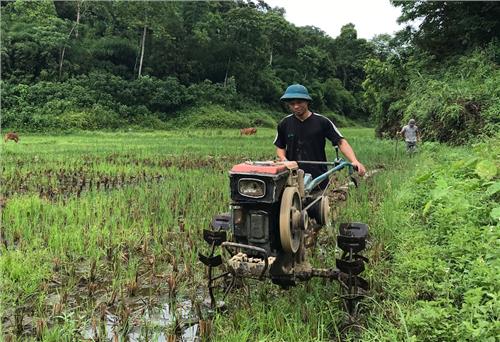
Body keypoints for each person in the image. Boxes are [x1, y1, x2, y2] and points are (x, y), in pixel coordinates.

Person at [274, 84, 366, 190]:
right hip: (292, 176)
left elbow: (341, 142)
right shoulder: (284, 123)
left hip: (318, 178)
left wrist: (354, 160)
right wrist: (284, 159)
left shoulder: (322, 122)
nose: (296, 106)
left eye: (299, 102)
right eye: (292, 103)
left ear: (307, 102)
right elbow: (280, 146)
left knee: (316, 205)